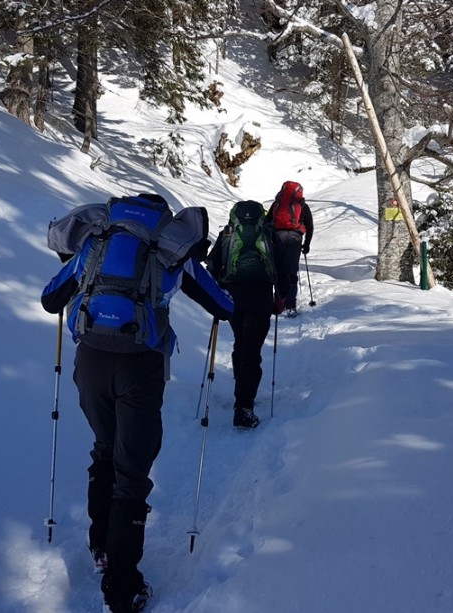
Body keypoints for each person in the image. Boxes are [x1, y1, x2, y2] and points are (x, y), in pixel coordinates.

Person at [41, 193, 233, 613]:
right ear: (160, 218)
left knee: (105, 449)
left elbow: (50, 298)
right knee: (132, 471)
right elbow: (222, 304)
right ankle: (122, 587)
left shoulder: (98, 240)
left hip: (90, 357)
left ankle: (101, 548)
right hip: (140, 366)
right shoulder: (170, 246)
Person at [206, 200, 283, 429]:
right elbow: (283, 266)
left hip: (233, 298)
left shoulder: (227, 234)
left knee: (241, 343)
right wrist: (282, 296)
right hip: (260, 297)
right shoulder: (269, 233)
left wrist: (216, 293)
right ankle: (244, 406)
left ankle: (242, 390)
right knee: (252, 350)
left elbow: (212, 264)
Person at [267, 181, 313, 317]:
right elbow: (310, 226)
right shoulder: (302, 205)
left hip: (277, 237)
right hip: (295, 239)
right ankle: (290, 305)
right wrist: (307, 244)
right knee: (291, 272)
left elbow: (267, 221)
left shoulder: (277, 204)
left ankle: (277, 301)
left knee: (276, 269)